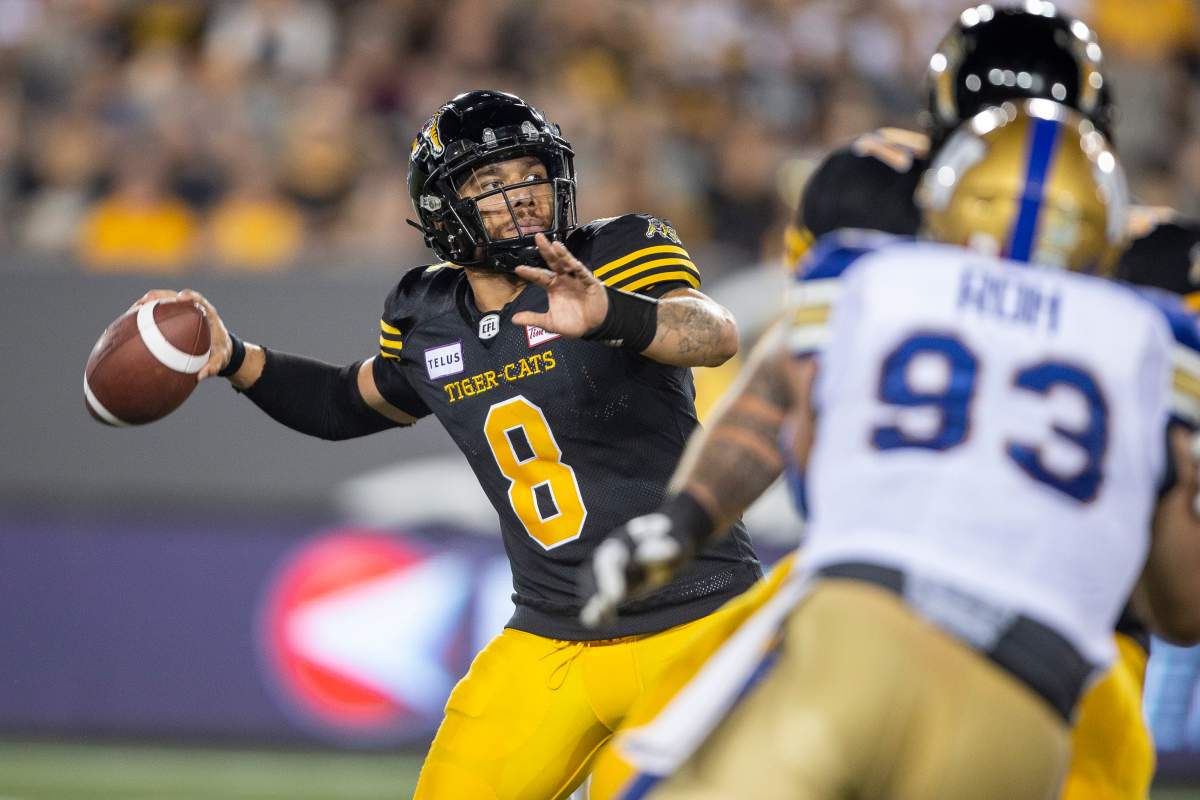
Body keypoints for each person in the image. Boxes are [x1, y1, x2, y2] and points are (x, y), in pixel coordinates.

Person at [581, 5, 1160, 799]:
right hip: (1054, 647)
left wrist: (688, 520)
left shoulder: (873, 232)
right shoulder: (1152, 297)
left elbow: (797, 393)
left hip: (886, 594)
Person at [134, 89, 761, 800]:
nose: (522, 194)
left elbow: (712, 333)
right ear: (443, 210)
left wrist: (610, 312)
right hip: (551, 637)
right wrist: (236, 357)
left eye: (529, 172)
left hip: (698, 620)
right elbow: (346, 402)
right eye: (491, 183)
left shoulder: (616, 252)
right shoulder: (426, 313)